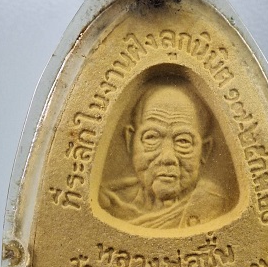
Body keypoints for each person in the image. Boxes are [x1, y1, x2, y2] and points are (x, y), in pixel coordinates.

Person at [99, 81, 231, 228]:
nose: (167, 157)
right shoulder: (110, 201)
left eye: (183, 141)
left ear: (204, 151)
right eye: (152, 137)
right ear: (130, 141)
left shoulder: (211, 204)